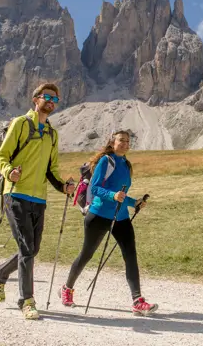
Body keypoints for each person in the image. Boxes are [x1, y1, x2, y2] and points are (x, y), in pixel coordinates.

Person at [0, 83, 76, 320]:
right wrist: (9, 173)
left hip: (39, 198)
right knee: (27, 249)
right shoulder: (20, 123)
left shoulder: (52, 134)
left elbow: (52, 169)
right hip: (15, 194)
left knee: (32, 249)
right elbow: (1, 156)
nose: (51, 101)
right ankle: (26, 300)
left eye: (55, 99)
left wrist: (63, 187)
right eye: (47, 97)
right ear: (35, 99)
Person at [58, 130, 158, 316]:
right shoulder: (106, 161)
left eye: (128, 141)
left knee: (130, 256)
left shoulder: (126, 165)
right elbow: (95, 188)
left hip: (121, 217)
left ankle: (137, 300)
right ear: (113, 142)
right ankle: (67, 288)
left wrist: (134, 202)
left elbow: (121, 195)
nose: (125, 144)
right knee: (86, 255)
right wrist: (112, 195)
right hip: (99, 215)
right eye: (122, 140)